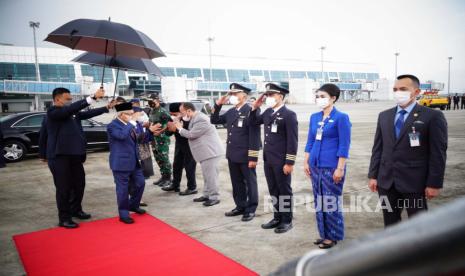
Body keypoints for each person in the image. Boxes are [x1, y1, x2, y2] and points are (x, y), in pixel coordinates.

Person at [368, 74, 448, 227]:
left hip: (415, 182)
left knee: (419, 225)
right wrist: (373, 175)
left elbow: (438, 153)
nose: (398, 92)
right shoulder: (384, 116)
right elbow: (378, 148)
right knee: (390, 223)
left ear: (416, 92)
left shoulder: (433, 116)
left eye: (403, 89)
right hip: (387, 182)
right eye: (395, 89)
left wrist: (434, 183)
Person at [41, 87, 105, 228]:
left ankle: (76, 210)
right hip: (59, 156)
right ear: (57, 99)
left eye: (71, 99)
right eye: (68, 99)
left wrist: (106, 108)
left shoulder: (71, 113)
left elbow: (88, 113)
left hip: (74, 155)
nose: (70, 101)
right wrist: (93, 97)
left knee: (79, 184)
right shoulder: (53, 113)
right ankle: (64, 218)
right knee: (64, 188)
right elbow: (43, 134)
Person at [304, 83, 351, 249]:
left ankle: (333, 236)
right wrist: (306, 161)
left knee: (330, 202)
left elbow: (344, 145)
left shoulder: (341, 117)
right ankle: (324, 233)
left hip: (332, 166)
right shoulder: (314, 117)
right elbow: (310, 141)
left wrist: (340, 168)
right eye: (317, 96)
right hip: (315, 165)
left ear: (333, 98)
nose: (319, 99)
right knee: (319, 201)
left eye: (322, 96)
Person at [250, 83, 298, 234]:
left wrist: (289, 162)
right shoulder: (267, 112)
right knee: (273, 190)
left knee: (284, 190)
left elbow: (292, 140)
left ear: (281, 97)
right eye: (267, 95)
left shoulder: (289, 115)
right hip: (269, 159)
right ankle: (277, 217)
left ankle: (286, 220)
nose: (268, 98)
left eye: (271, 95)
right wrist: (254, 108)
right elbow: (253, 123)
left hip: (282, 161)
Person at [211, 83, 260, 222]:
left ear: (243, 95)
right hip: (232, 154)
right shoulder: (231, 111)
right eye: (231, 94)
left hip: (246, 155)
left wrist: (253, 157)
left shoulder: (251, 110)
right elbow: (214, 120)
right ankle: (240, 206)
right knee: (237, 182)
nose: (232, 96)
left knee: (250, 183)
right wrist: (218, 105)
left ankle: (251, 209)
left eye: (235, 93)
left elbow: (254, 135)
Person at [167, 102, 224, 206]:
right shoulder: (194, 117)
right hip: (205, 152)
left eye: (182, 112)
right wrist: (178, 119)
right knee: (207, 175)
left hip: (210, 152)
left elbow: (191, 134)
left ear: (189, 111)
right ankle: (207, 195)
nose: (181, 114)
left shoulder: (201, 119)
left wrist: (179, 128)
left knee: (211, 176)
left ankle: (214, 197)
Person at [107, 102, 146, 224]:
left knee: (141, 183)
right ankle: (123, 213)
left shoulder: (131, 125)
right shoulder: (113, 126)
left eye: (132, 114)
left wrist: (149, 131)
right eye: (129, 114)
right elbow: (122, 136)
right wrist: (132, 122)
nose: (131, 116)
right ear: (121, 114)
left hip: (134, 161)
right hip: (120, 163)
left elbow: (137, 139)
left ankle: (133, 205)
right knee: (122, 189)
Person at [162, 103, 198, 195]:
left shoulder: (191, 118)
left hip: (190, 146)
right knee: (176, 165)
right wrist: (170, 129)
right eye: (172, 114)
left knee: (189, 167)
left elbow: (192, 134)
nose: (173, 116)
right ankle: (175, 185)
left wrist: (178, 128)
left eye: (175, 114)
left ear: (181, 112)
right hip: (179, 145)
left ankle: (192, 187)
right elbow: (167, 133)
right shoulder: (172, 119)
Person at [148, 94, 173, 187]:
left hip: (162, 138)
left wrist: (160, 132)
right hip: (154, 139)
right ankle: (163, 176)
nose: (150, 102)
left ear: (157, 100)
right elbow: (151, 122)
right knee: (158, 158)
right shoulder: (151, 111)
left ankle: (169, 178)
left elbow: (169, 124)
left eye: (151, 100)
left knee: (164, 158)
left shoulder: (163, 111)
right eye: (149, 101)